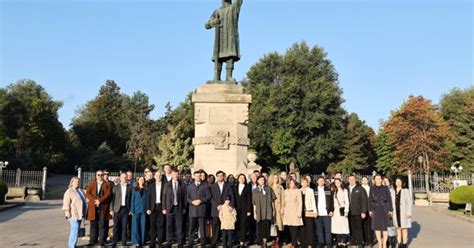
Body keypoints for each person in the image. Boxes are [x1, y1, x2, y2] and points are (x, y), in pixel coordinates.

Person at [86, 170, 112, 246]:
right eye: (98, 175)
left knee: (102, 225)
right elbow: (87, 193)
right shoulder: (92, 184)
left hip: (103, 207)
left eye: (101, 175)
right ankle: (92, 241)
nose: (100, 176)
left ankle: (101, 241)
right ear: (96, 175)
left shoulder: (107, 184)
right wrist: (95, 200)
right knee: (93, 225)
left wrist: (100, 201)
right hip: (93, 207)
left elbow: (108, 194)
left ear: (103, 176)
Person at [162, 169, 187, 247]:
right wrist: (163, 208)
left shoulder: (182, 184)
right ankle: (169, 241)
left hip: (179, 208)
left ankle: (180, 242)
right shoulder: (167, 184)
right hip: (169, 208)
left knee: (179, 226)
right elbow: (164, 196)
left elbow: (184, 197)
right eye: (174, 174)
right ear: (171, 175)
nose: (176, 176)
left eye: (177, 174)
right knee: (169, 226)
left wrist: (184, 207)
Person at [187, 171, 211, 247]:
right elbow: (187, 198)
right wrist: (192, 202)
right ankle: (191, 242)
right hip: (192, 210)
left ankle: (203, 243)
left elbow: (208, 196)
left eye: (199, 176)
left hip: (201, 209)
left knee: (202, 228)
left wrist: (200, 200)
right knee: (191, 227)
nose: (198, 177)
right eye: (196, 176)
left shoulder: (205, 186)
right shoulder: (190, 186)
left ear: (201, 177)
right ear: (194, 176)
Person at [210, 170, 234, 247]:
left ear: (223, 176)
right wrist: (217, 205)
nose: (220, 177)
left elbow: (231, 196)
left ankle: (226, 244)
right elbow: (211, 198)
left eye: (221, 175)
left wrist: (231, 206)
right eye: (218, 176)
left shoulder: (228, 185)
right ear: (216, 177)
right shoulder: (213, 186)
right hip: (216, 209)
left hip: (226, 210)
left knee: (226, 228)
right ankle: (214, 243)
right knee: (215, 227)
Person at [369, 174, 393, 248]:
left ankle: (384, 243)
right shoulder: (372, 188)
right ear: (374, 180)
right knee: (377, 227)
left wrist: (390, 209)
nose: (378, 180)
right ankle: (379, 243)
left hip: (385, 209)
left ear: (381, 179)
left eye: (379, 178)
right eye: (376, 178)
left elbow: (389, 199)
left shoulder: (385, 188)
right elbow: (370, 200)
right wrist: (370, 210)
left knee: (385, 227)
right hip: (375, 209)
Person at [252, 176, 276, 248]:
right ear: (258, 181)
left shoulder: (269, 189)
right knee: (260, 227)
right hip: (259, 211)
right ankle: (263, 242)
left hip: (268, 210)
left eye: (263, 180)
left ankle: (265, 242)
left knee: (267, 226)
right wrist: (254, 213)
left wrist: (273, 210)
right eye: (260, 180)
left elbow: (272, 201)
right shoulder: (255, 191)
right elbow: (254, 203)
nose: (262, 181)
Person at [63, 176, 87, 248]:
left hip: (80, 214)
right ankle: (71, 246)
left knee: (76, 229)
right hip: (72, 213)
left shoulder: (80, 191)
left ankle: (74, 244)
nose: (77, 183)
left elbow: (84, 200)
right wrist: (67, 212)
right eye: (75, 181)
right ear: (72, 182)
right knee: (75, 228)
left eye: (78, 181)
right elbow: (66, 203)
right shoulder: (69, 191)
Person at [110, 172, 132, 247]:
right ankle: (114, 241)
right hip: (116, 209)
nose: (124, 178)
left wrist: (131, 209)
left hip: (126, 209)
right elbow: (112, 199)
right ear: (120, 178)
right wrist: (111, 209)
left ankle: (124, 242)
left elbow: (131, 199)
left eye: (125, 177)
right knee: (116, 226)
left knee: (124, 226)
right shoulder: (116, 187)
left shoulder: (130, 187)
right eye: (123, 177)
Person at [347, 175, 368, 247]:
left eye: (353, 179)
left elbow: (364, 201)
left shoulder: (360, 189)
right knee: (351, 228)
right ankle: (353, 241)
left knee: (359, 228)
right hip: (350, 212)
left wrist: (364, 211)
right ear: (348, 180)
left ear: (355, 180)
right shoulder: (347, 189)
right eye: (350, 179)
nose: (351, 181)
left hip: (358, 212)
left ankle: (360, 242)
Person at [391, 177, 412, 248]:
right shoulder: (392, 191)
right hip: (395, 213)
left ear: (402, 183)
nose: (398, 183)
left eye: (399, 181)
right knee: (398, 228)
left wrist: (409, 212)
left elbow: (409, 202)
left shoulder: (405, 190)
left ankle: (404, 243)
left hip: (404, 212)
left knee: (404, 228)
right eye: (397, 181)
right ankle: (399, 243)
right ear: (395, 183)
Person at [146, 170, 166, 247]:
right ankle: (152, 242)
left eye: (160, 175)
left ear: (161, 177)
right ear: (154, 177)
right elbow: (148, 198)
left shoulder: (165, 185)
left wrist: (165, 208)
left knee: (160, 225)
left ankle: (160, 242)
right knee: (152, 226)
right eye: (157, 176)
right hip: (152, 208)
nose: (158, 177)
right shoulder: (151, 186)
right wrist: (148, 208)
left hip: (161, 207)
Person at [314, 176, 334, 247]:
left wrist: (331, 210)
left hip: (326, 213)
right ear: (317, 182)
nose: (321, 182)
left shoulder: (328, 190)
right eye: (320, 180)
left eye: (322, 181)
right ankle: (321, 242)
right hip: (318, 213)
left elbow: (331, 201)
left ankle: (329, 243)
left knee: (327, 229)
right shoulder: (314, 190)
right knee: (319, 229)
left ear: (324, 182)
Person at [282, 179, 303, 247]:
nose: (292, 185)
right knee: (290, 227)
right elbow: (283, 202)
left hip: (295, 210)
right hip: (287, 211)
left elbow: (300, 202)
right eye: (290, 183)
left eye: (293, 183)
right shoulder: (285, 191)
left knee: (295, 228)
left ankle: (294, 243)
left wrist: (299, 212)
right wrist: (282, 209)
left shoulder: (298, 191)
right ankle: (293, 242)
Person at [233, 173, 252, 246]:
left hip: (244, 209)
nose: (242, 179)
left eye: (243, 178)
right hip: (236, 209)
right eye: (240, 178)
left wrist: (249, 210)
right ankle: (238, 239)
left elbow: (249, 199)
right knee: (237, 224)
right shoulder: (235, 187)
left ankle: (242, 241)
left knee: (243, 225)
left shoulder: (247, 187)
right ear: (238, 179)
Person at [331, 178, 350, 247]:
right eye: (336, 183)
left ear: (341, 182)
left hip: (342, 209)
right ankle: (338, 242)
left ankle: (344, 242)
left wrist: (346, 211)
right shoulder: (333, 190)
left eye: (338, 182)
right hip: (335, 211)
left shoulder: (344, 190)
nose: (337, 184)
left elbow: (347, 201)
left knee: (344, 226)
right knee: (337, 227)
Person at [131, 176, 149, 247]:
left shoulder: (146, 190)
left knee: (143, 226)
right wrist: (132, 209)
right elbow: (132, 200)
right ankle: (136, 242)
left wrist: (148, 209)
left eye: (142, 179)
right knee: (135, 226)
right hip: (136, 210)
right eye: (140, 179)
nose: (141, 181)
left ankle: (142, 241)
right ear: (137, 181)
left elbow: (148, 200)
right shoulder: (134, 189)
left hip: (144, 211)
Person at [300, 177, 317, 248]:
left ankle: (310, 244)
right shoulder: (299, 190)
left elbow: (313, 201)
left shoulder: (310, 190)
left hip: (309, 211)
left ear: (307, 183)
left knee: (310, 228)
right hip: (301, 212)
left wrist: (315, 211)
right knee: (302, 229)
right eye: (303, 182)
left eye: (305, 182)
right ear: (301, 183)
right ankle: (304, 243)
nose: (304, 183)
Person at [270, 174, 285, 246]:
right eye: (274, 178)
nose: (275, 179)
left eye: (277, 178)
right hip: (271, 208)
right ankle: (273, 240)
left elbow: (283, 198)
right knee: (272, 225)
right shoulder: (269, 187)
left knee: (279, 225)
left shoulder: (281, 187)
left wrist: (282, 208)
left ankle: (278, 241)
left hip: (279, 208)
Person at [361, 176, 373, 245]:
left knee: (371, 226)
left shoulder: (371, 188)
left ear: (368, 181)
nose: (364, 181)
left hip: (370, 209)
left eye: (366, 180)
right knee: (363, 226)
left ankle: (371, 241)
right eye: (363, 180)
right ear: (361, 181)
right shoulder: (360, 188)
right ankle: (365, 240)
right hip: (362, 210)